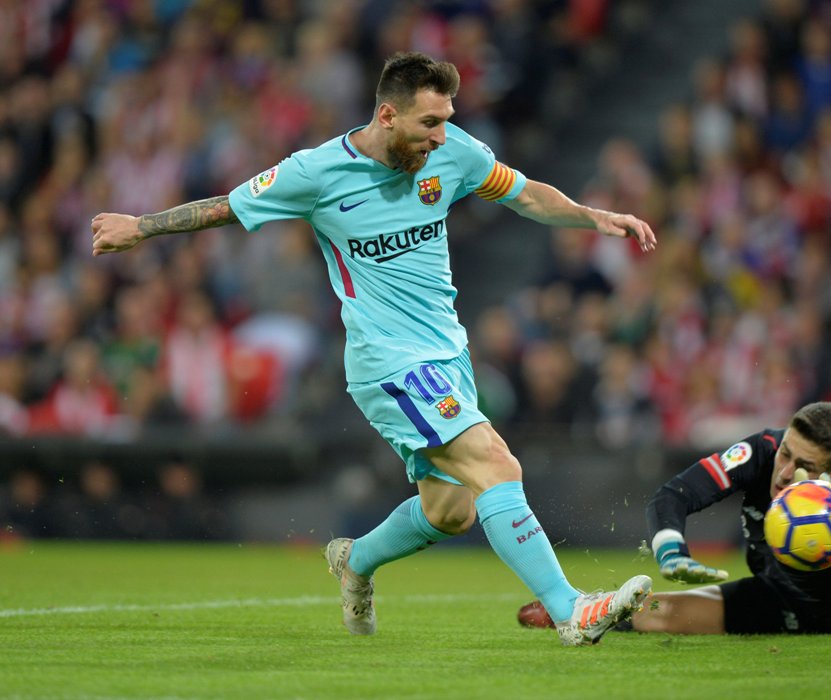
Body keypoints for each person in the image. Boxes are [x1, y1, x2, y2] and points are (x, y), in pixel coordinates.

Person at [91, 52, 656, 646]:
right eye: (429, 123)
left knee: (450, 511)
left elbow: (525, 194)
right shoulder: (316, 172)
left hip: (448, 354)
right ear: (387, 115)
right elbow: (226, 207)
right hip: (387, 360)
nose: (441, 137)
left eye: (446, 120)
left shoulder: (454, 153)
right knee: (496, 463)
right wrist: (142, 226)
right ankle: (571, 611)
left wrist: (593, 217)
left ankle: (355, 561)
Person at [518, 401, 831, 635]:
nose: (783, 472)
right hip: (769, 584)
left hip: (816, 610)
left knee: (665, 615)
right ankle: (581, 609)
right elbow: (674, 494)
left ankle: (582, 611)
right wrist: (671, 550)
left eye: (803, 466)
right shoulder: (762, 451)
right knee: (660, 610)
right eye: (786, 453)